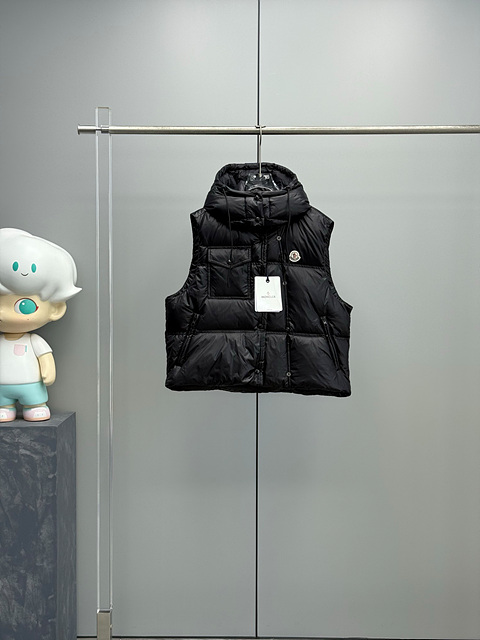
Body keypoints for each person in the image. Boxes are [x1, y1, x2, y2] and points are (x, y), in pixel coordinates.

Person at [0, 228, 81, 422]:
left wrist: (48, 371)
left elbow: (45, 357)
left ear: (55, 309)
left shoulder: (34, 341)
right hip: (2, 387)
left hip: (32, 385)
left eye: (24, 305)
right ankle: (4, 408)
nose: (3, 312)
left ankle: (35, 406)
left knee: (35, 400)